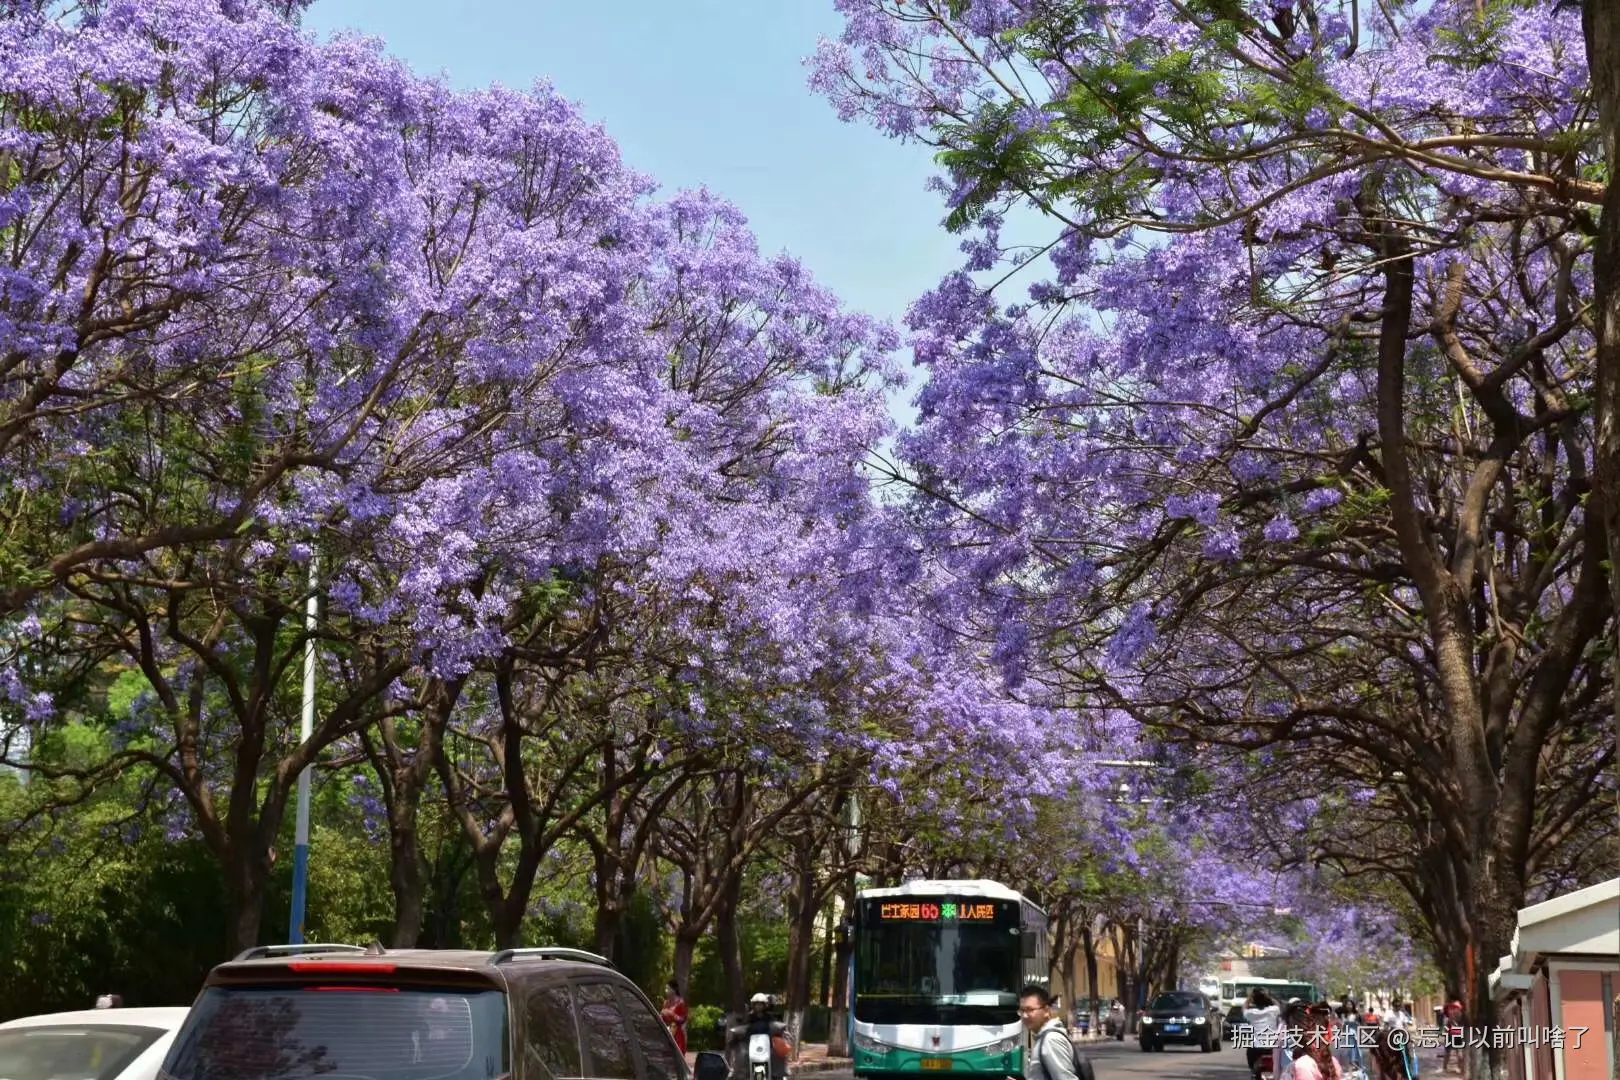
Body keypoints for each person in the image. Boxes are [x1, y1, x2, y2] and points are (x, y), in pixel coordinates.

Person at [1016, 985, 1094, 1080]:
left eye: (1030, 1010)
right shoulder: (1044, 1038)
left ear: (1046, 1011)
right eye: (1022, 1010)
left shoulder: (1051, 1039)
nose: (1025, 1015)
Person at [726, 993, 790, 1079]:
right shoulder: (749, 1017)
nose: (759, 1006)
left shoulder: (769, 1017)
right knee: (741, 1054)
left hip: (768, 1043)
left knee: (776, 1055)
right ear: (753, 1005)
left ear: (765, 1005)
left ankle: (777, 1075)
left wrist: (782, 1032)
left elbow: (776, 1026)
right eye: (757, 1004)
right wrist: (735, 1036)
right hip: (750, 1043)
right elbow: (743, 1027)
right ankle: (735, 1072)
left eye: (761, 1004)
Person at [1244, 988, 1283, 1080]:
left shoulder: (1250, 1013)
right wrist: (1268, 996)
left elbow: (1244, 1007)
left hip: (1256, 1048)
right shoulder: (1274, 1010)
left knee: (1250, 1057)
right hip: (1272, 1047)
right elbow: (1279, 1005)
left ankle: (1253, 1071)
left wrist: (1250, 997)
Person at [661, 981, 689, 1056]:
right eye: (666, 988)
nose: (666, 991)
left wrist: (673, 1015)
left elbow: (684, 1018)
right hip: (667, 1034)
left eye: (668, 988)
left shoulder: (680, 1002)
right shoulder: (666, 1003)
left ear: (673, 990)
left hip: (677, 1035)